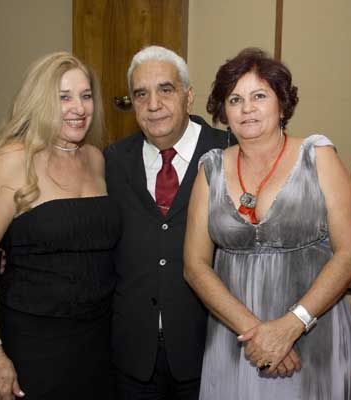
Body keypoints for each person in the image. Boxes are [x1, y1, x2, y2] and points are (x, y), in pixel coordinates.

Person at [183, 48, 351, 399]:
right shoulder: (210, 169)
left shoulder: (319, 157)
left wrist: (292, 325)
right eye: (235, 99)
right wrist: (258, 334)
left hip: (313, 335)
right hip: (236, 339)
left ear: (282, 103)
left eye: (259, 96)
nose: (247, 108)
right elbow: (194, 265)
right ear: (224, 112)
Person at [0, 52, 119, 400]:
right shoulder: (13, 160)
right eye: (63, 97)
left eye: (86, 95)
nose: (79, 107)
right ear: (40, 102)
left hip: (99, 339)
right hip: (37, 341)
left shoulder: (96, 158)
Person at [104, 45, 232, 400]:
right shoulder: (113, 160)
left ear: (188, 96)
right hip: (132, 356)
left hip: (209, 351)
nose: (153, 104)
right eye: (140, 94)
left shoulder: (228, 152)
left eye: (165, 89)